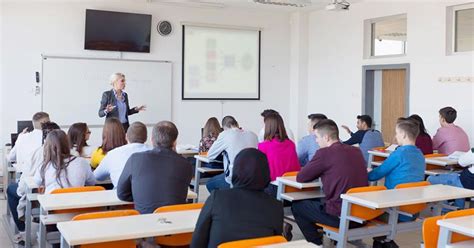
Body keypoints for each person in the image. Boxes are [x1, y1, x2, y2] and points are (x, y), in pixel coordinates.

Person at [292, 119, 368, 247]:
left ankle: (316, 244)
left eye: (316, 137)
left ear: (326, 137)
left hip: (341, 216)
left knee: (298, 206)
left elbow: (301, 178)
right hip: (363, 214)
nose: (316, 141)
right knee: (319, 202)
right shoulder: (356, 151)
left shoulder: (324, 153)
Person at [191, 148, 283, 248]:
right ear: (266, 172)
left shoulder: (217, 198)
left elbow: (197, 242)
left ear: (236, 170)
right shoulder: (276, 207)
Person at [117, 121, 193, 214]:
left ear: (152, 140)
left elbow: (121, 194)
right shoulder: (186, 165)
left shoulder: (135, 159)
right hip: (175, 220)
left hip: (144, 220)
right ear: (175, 142)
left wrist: (140, 197)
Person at [6, 121, 59, 243]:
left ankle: (22, 231)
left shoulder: (36, 152)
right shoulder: (75, 156)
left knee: (12, 189)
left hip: (41, 197)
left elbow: (23, 187)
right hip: (66, 199)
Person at [368, 118, 426, 190]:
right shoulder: (420, 154)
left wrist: (368, 173)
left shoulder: (398, 154)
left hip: (395, 197)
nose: (396, 136)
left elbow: (377, 174)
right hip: (416, 198)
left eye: (397, 133)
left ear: (403, 135)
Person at [206, 116, 258, 192]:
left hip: (234, 178)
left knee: (210, 184)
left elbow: (210, 155)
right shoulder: (253, 134)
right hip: (253, 177)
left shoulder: (225, 134)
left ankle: (224, 202)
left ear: (224, 127)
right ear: (236, 124)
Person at [34, 130, 96, 194]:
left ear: (47, 146)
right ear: (67, 144)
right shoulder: (82, 162)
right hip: (77, 202)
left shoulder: (44, 166)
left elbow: (37, 181)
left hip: (53, 202)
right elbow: (92, 182)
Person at [94, 122, 152, 187]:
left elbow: (97, 176)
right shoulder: (156, 152)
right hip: (151, 195)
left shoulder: (113, 154)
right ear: (146, 138)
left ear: (126, 136)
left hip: (118, 196)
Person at [258, 113, 300, 196]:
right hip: (293, 187)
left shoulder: (263, 146)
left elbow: (260, 171)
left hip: (274, 189)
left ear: (267, 127)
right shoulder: (291, 144)